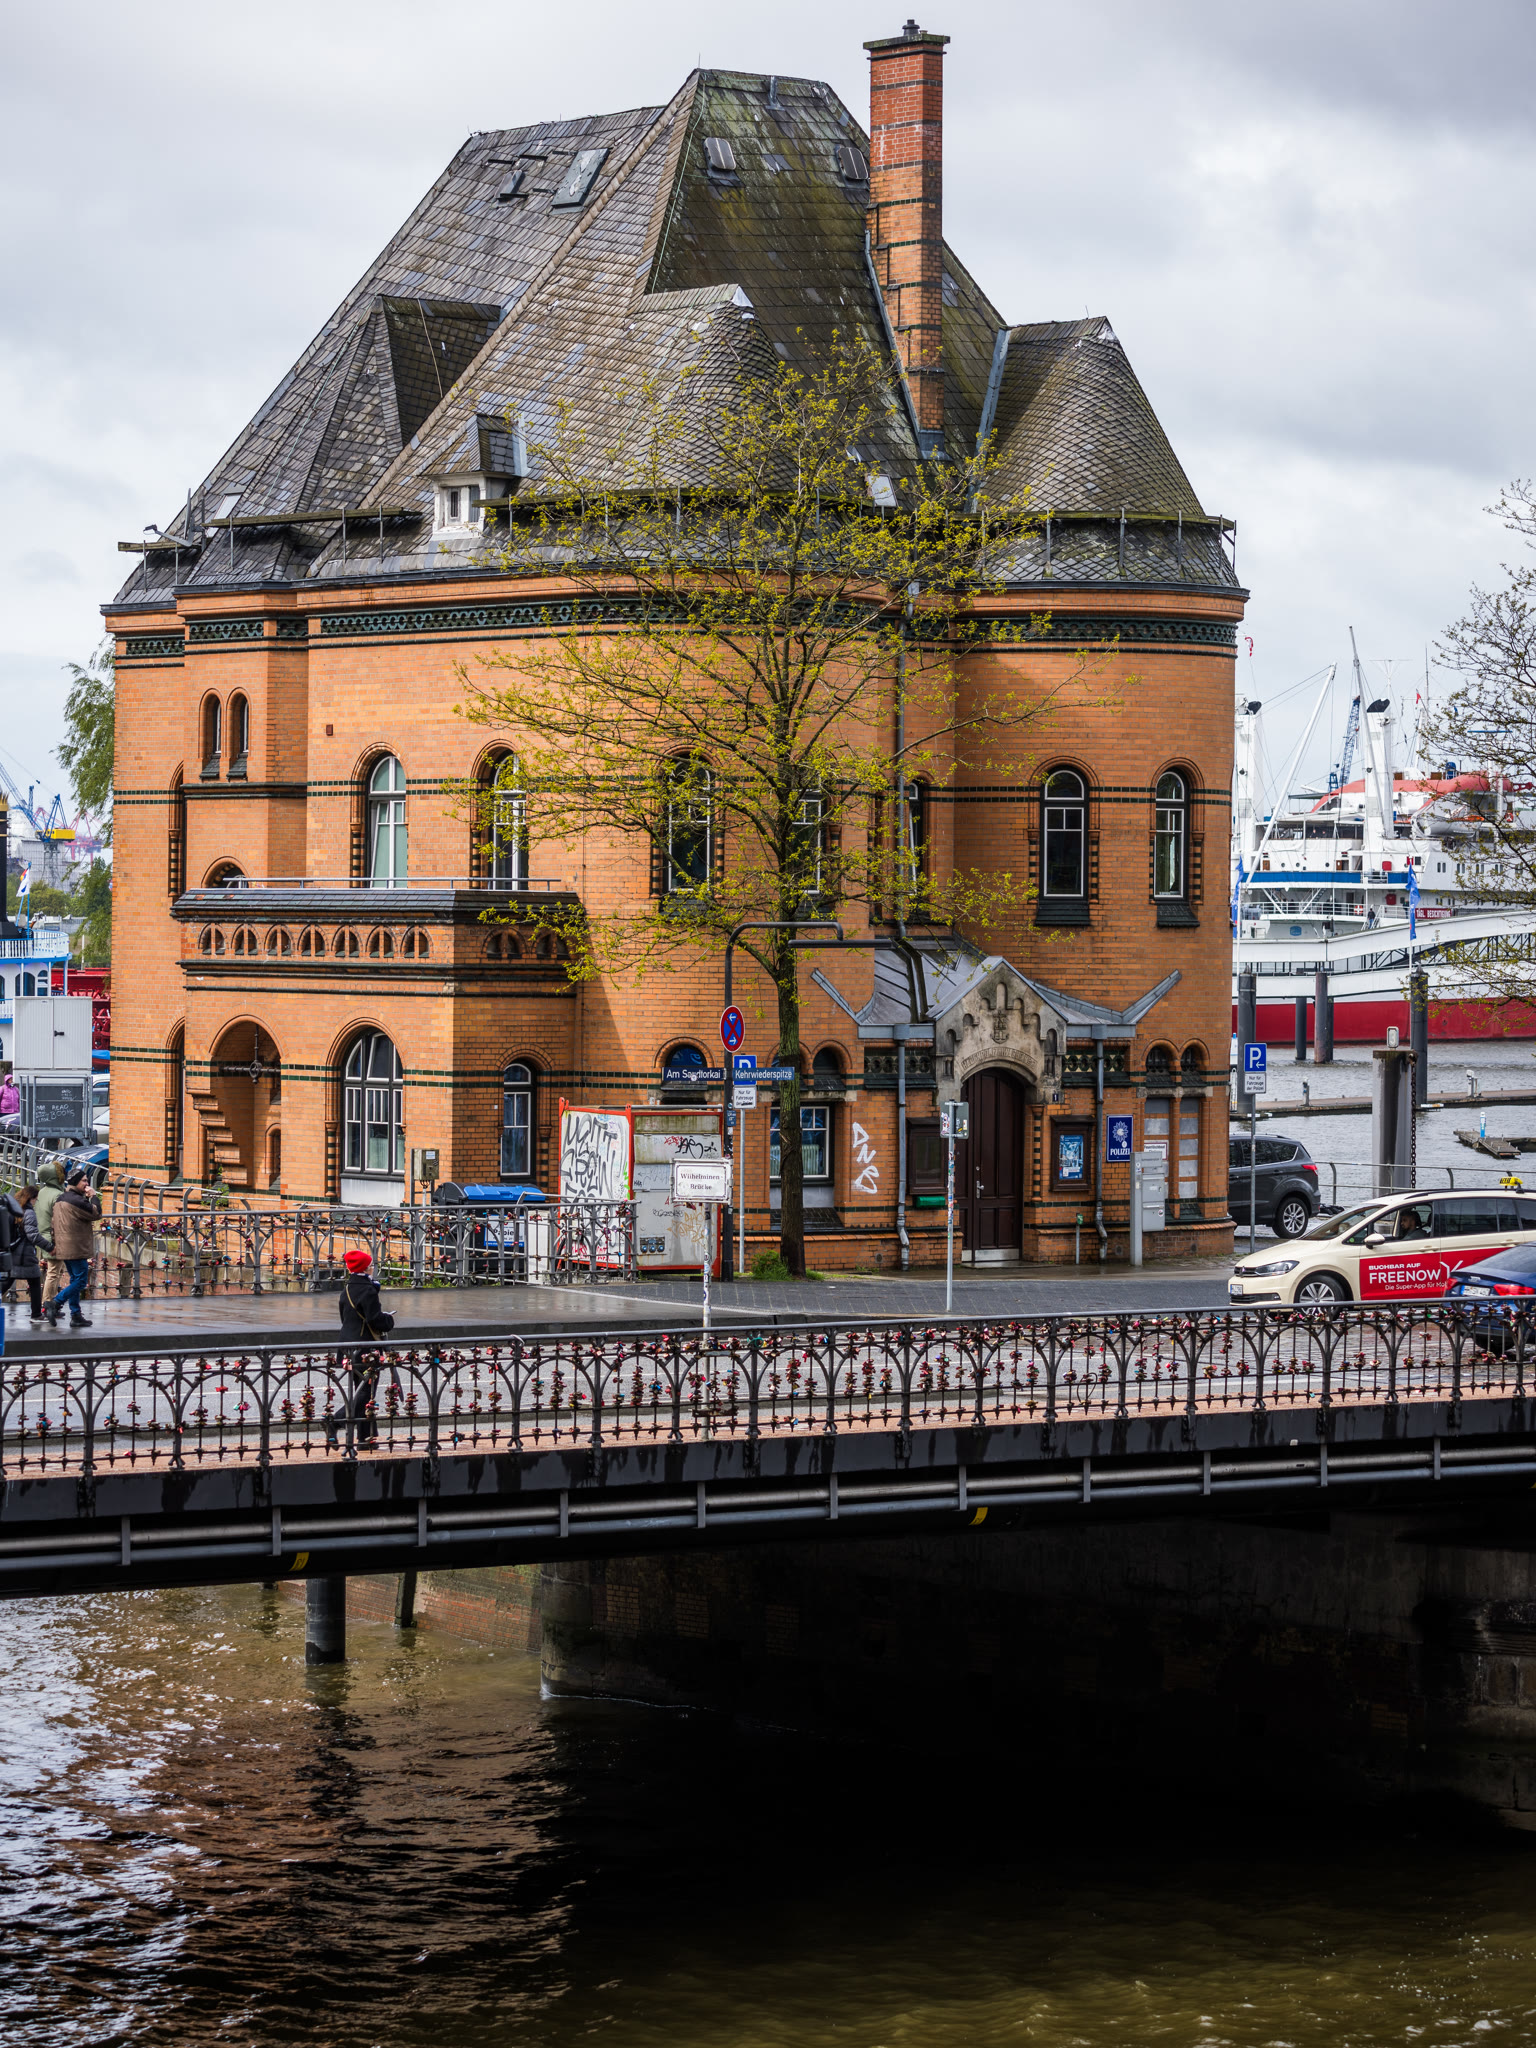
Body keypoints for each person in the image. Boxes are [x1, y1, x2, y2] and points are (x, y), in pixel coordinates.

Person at [329, 1248, 394, 1448]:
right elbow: (375, 1320)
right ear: (366, 1269)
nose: (373, 1268)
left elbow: (346, 1318)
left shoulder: (348, 1288)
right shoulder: (367, 1290)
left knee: (363, 1391)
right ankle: (335, 1421)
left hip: (348, 1347)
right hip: (366, 1349)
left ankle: (365, 1438)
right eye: (371, 1265)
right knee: (365, 1393)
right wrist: (388, 1320)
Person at [45, 1167, 101, 1329]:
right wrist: (93, 1196)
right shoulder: (77, 1201)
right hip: (76, 1247)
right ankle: (55, 1303)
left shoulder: (60, 1198)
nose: (87, 1183)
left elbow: (52, 1224)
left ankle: (76, 1315)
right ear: (76, 1182)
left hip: (64, 1246)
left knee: (75, 1280)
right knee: (81, 1281)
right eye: (84, 1180)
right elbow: (96, 1213)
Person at [1, 1185, 44, 1322]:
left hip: (12, 1252)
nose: (35, 1202)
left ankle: (36, 1314)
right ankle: (36, 1314)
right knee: (35, 1282)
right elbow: (32, 1235)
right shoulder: (28, 1212)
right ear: (31, 1198)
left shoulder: (12, 1209)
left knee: (6, 1282)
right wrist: (49, 1246)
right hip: (25, 1254)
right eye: (36, 1199)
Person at [35, 1159, 67, 1316]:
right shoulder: (58, 1194)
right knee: (54, 1273)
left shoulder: (42, 1192)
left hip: (43, 1236)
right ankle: (47, 1305)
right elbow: (61, 1219)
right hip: (54, 1238)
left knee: (54, 1271)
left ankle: (49, 1304)